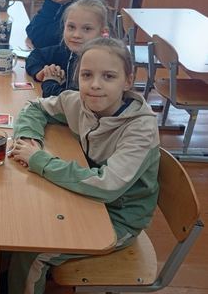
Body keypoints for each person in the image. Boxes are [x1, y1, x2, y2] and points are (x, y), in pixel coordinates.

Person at [9, 37, 160, 294]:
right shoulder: (79, 102)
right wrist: (28, 139)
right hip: (84, 200)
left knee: (33, 252)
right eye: (87, 75)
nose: (95, 85)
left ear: (128, 81)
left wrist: (40, 160)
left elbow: (107, 186)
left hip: (117, 218)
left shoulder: (140, 130)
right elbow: (35, 107)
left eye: (108, 76)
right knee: (24, 215)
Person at [26, 0, 109, 98]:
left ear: (103, 32)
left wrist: (50, 81)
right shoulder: (69, 51)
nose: (76, 35)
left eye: (87, 29)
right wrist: (41, 73)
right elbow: (36, 55)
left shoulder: (100, 65)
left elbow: (70, 101)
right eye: (71, 27)